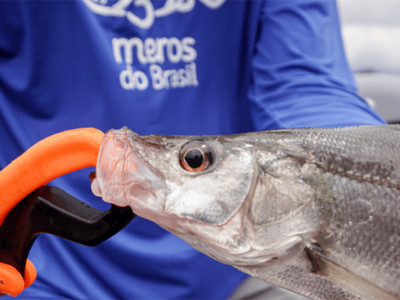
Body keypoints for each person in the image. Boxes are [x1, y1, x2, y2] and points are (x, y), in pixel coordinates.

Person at [0, 0, 384, 299]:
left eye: (194, 162)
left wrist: (373, 170)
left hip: (241, 275)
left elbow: (306, 83)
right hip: (41, 266)